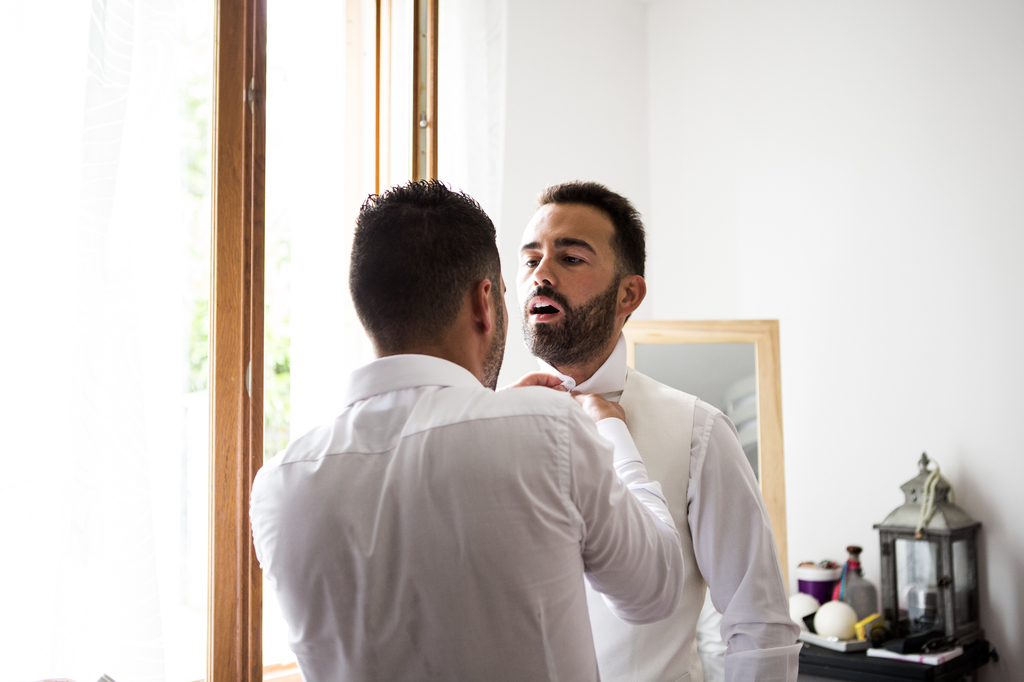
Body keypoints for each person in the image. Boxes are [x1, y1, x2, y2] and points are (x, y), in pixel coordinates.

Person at [249, 180, 686, 682]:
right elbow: (656, 589)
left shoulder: (278, 486)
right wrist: (610, 434)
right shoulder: (550, 432)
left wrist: (501, 415)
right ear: (485, 303)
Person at [517, 181, 802, 682]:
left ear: (629, 294)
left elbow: (759, 627)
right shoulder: (486, 422)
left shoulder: (699, 432)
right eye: (530, 259)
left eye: (571, 259)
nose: (541, 274)